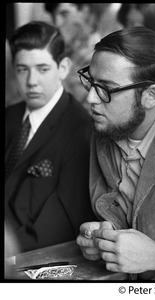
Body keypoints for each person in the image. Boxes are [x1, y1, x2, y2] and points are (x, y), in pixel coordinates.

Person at [76, 27, 155, 281]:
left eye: (106, 88)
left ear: (151, 96)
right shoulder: (107, 125)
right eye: (91, 82)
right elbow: (120, 205)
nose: (92, 98)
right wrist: (105, 233)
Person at [5, 21, 96, 253]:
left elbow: (59, 227)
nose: (32, 81)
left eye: (43, 69)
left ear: (63, 68)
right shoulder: (10, 117)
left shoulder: (81, 131)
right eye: (22, 69)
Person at [45, 3, 101, 110]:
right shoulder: (66, 50)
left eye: (64, 13)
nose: (57, 23)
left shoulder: (98, 53)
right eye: (53, 16)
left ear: (84, 11)